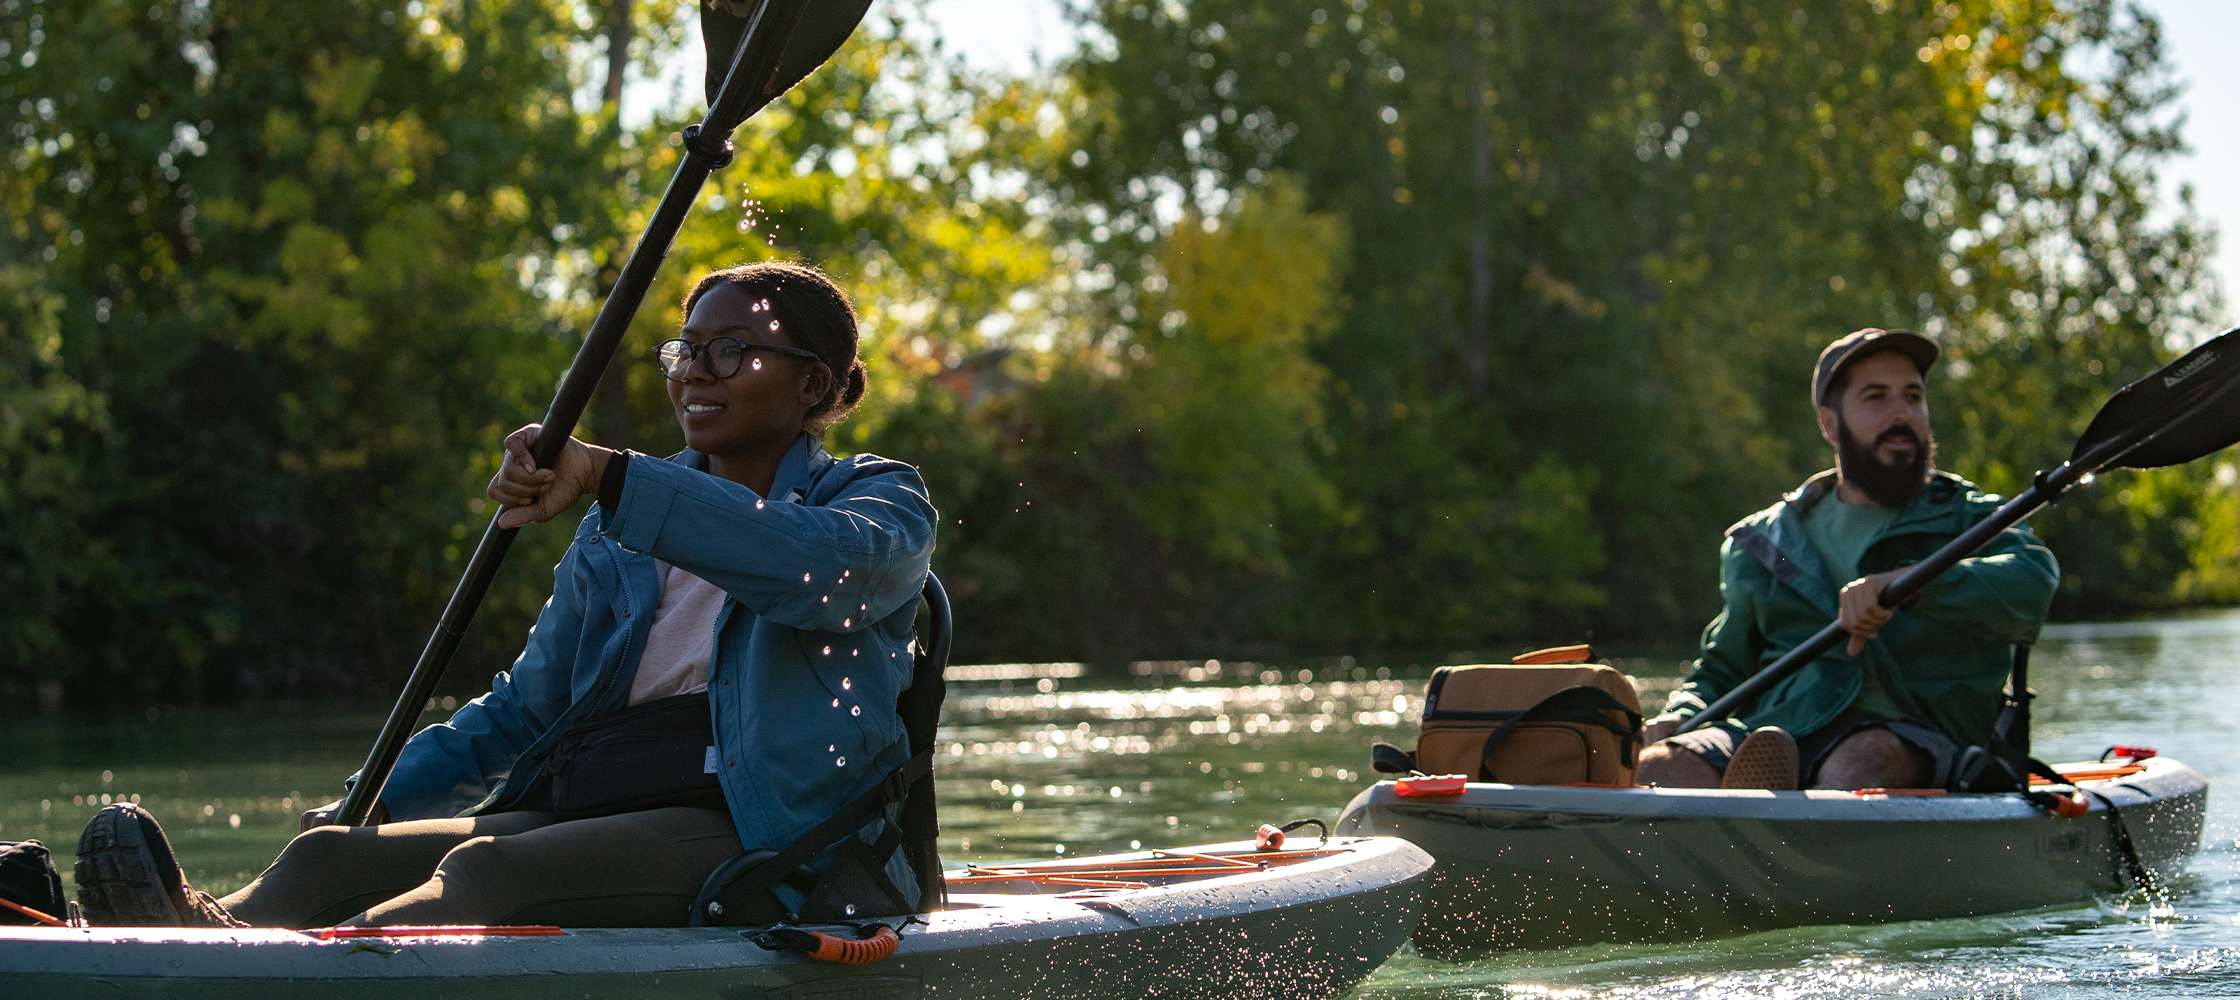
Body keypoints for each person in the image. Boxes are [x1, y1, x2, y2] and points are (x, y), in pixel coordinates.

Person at [74, 261, 938, 928]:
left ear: (814, 386)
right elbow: (525, 711)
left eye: (730, 352)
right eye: (685, 350)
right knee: (327, 859)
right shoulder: (617, 531)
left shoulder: (876, 502)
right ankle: (190, 939)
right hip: (600, 803)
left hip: (776, 840)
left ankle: (249, 973)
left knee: (487, 874)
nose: (694, 374)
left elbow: (818, 573)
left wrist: (608, 475)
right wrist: (373, 800)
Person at [1637, 328, 2059, 790]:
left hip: (1920, 736)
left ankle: (1789, 833)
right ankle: (1747, 825)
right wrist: (1676, 718)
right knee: (1660, 768)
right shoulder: (1763, 541)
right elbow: (1722, 669)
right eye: (1876, 397)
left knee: (1859, 762)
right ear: (1830, 425)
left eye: (1913, 396)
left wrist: (1913, 584)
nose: (1901, 413)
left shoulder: (1974, 518)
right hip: (1779, 728)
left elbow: (2032, 583)